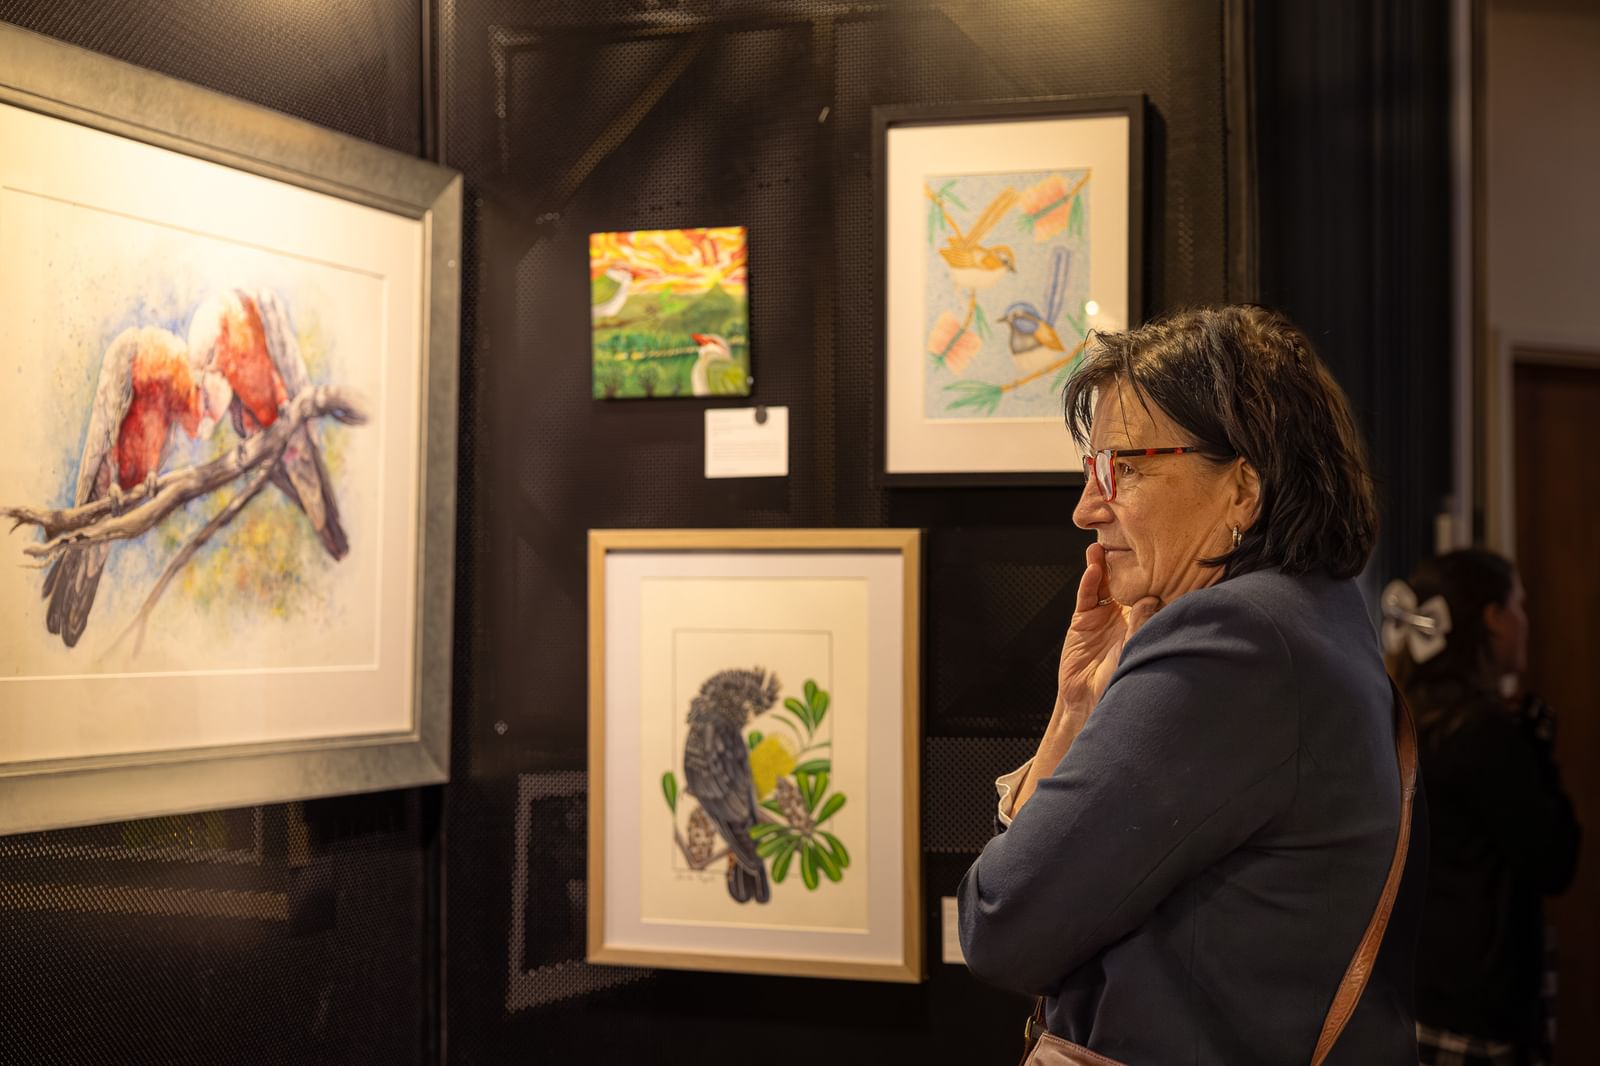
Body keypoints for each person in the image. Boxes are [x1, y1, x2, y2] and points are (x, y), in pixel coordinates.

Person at [957, 305, 1424, 1064]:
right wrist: (1077, 706)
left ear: (1242, 488)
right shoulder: (1316, 616)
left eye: (1124, 468)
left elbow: (999, 923)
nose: (1086, 508)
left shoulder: (1229, 643)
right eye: (1091, 470)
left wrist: (1070, 723)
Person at [1384, 550, 1579, 1066]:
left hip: (1414, 997)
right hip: (1476, 1014)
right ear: (1494, 619)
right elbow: (1555, 860)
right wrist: (1539, 750)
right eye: (1519, 605)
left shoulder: (1402, 722)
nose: (1525, 621)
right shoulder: (1484, 736)